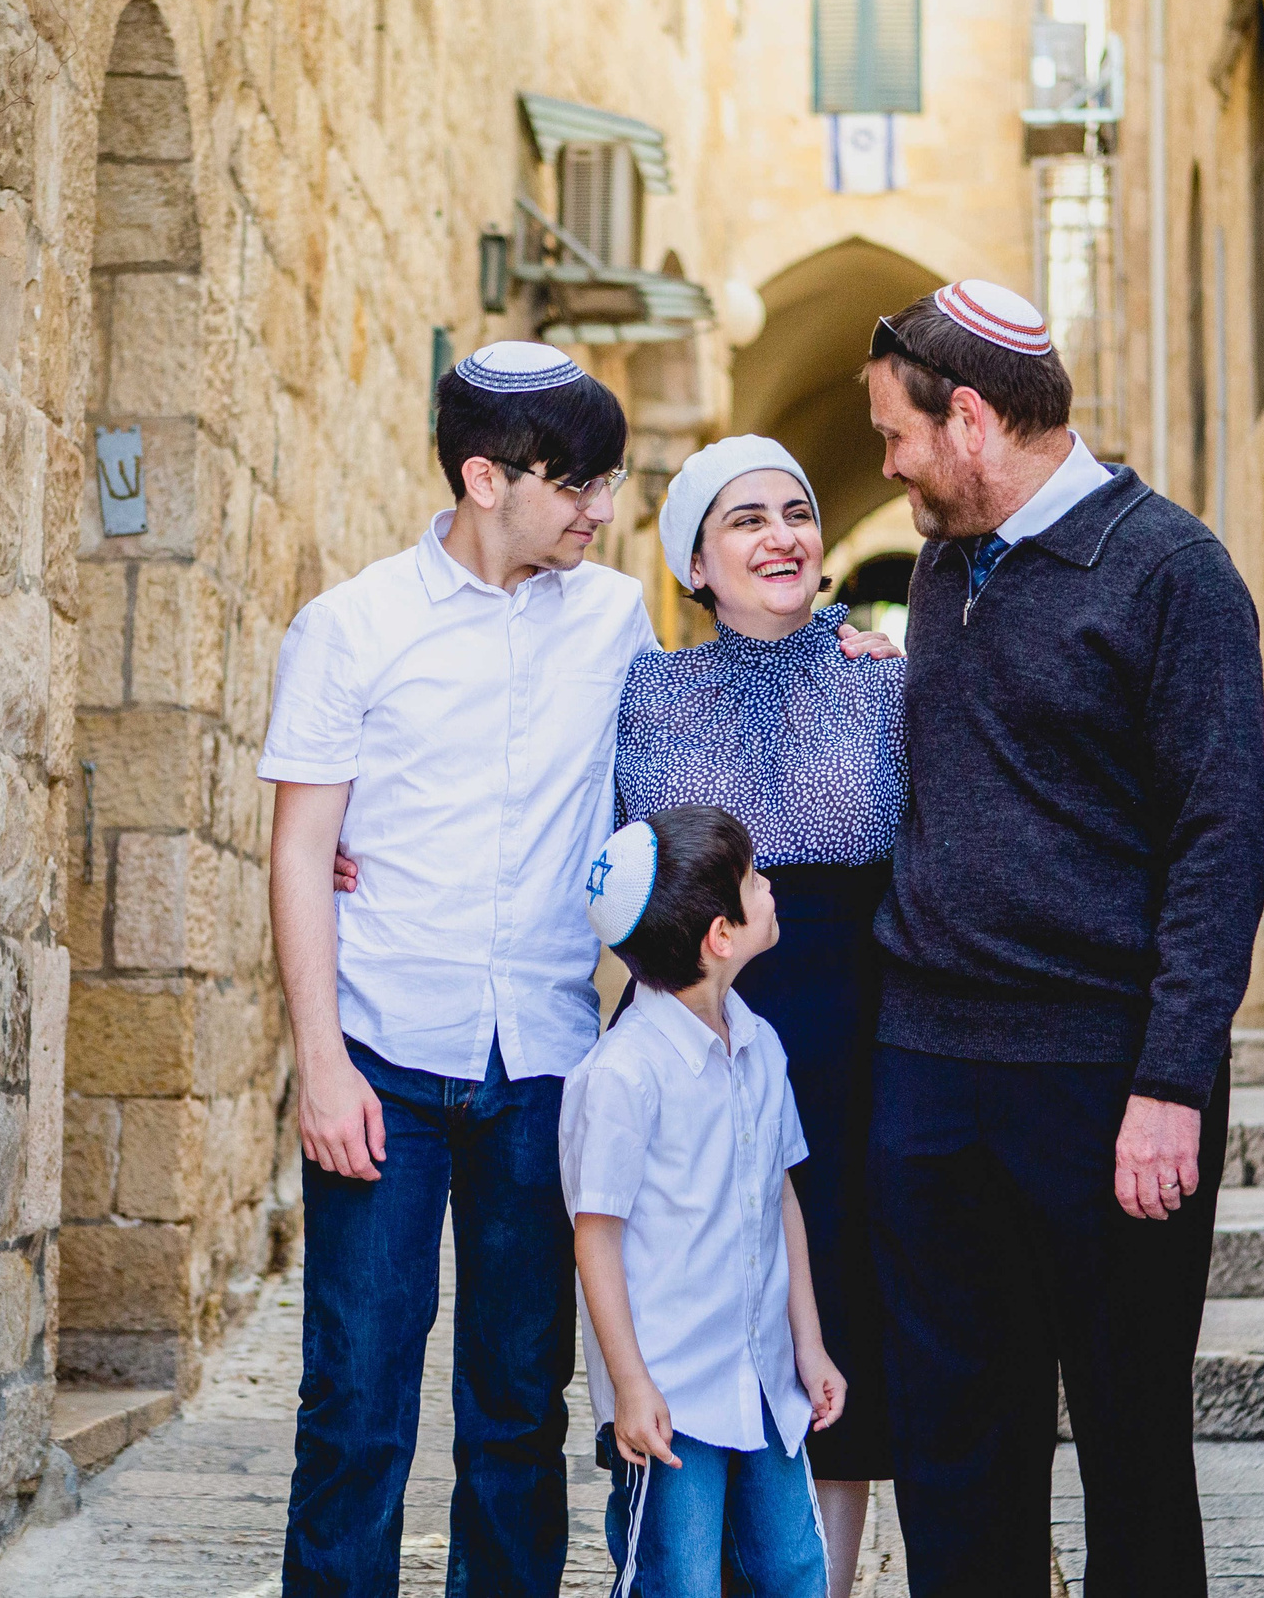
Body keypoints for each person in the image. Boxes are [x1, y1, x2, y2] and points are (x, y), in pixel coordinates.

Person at [862, 281, 1264, 1596]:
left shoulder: (1172, 570)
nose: (889, 464)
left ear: (968, 416)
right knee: (954, 1449)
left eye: (898, 436)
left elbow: (1221, 842)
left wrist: (1169, 1078)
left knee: (1132, 1447)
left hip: (1105, 1084)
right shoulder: (936, 566)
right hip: (930, 1071)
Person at [261, 341, 657, 1598]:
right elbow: (299, 848)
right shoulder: (351, 626)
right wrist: (320, 1068)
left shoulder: (614, 617)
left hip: (543, 1062)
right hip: (379, 1057)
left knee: (516, 1411)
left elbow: (696, 735)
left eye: (608, 482)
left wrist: (846, 661)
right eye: (577, 484)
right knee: (358, 1401)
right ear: (488, 478)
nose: (600, 509)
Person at [614, 435, 905, 1598]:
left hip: (854, 1035)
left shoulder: (883, 678)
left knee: (831, 1307)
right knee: (696, 1297)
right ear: (694, 560)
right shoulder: (646, 691)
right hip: (699, 1028)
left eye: (796, 511)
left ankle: (818, 1584)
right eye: (746, 520)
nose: (781, 535)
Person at [561, 808, 846, 1598]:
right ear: (721, 934)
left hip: (762, 1378)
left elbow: (780, 1194)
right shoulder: (624, 1075)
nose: (770, 884)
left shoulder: (759, 1045)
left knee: (793, 1568)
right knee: (675, 1580)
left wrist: (809, 1345)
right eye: (754, 879)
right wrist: (630, 1386)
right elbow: (596, 1238)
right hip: (671, 1400)